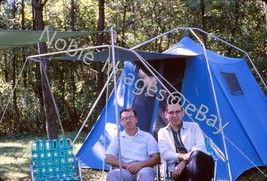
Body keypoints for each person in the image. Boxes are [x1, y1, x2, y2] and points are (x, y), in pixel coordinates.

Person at [158, 102, 214, 181]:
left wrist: (184, 161)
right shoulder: (162, 132)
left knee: (196, 154)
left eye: (177, 112)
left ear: (182, 113)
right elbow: (164, 154)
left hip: (201, 165)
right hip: (178, 170)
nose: (175, 115)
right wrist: (181, 156)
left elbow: (200, 146)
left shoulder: (194, 126)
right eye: (171, 112)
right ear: (166, 114)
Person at [106, 107, 161, 181]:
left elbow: (157, 158)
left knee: (145, 174)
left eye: (131, 117)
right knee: (112, 174)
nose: (128, 120)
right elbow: (109, 158)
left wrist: (140, 164)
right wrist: (126, 165)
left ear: (136, 119)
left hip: (144, 169)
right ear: (121, 122)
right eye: (125, 118)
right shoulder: (118, 138)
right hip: (125, 170)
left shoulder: (147, 136)